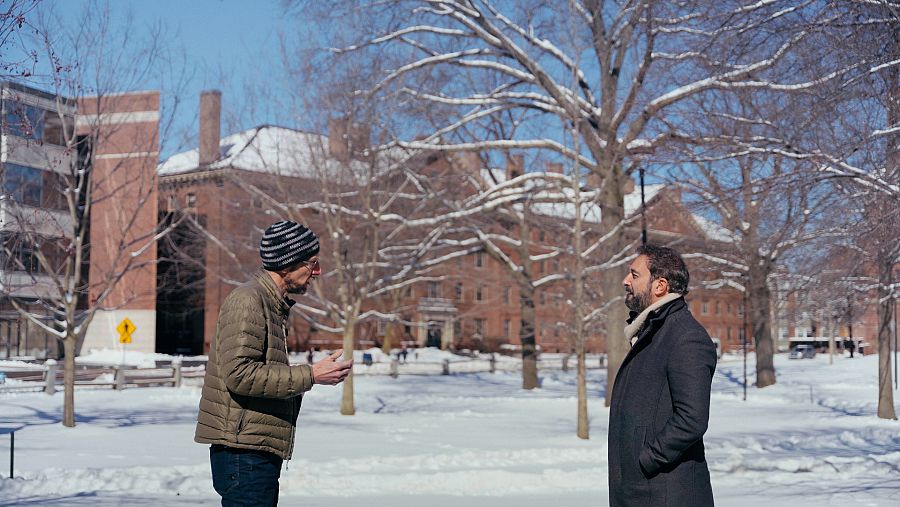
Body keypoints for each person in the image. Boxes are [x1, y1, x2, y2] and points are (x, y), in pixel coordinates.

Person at [195, 220, 353, 506]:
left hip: (255, 449)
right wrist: (311, 375)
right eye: (312, 263)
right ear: (287, 264)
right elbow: (239, 374)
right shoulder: (248, 301)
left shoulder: (272, 305)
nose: (317, 272)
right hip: (243, 453)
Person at [608, 244, 717, 506]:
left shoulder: (685, 336)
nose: (625, 281)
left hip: (666, 492)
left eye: (634, 275)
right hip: (643, 490)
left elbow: (692, 418)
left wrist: (648, 459)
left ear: (660, 286)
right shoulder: (652, 332)